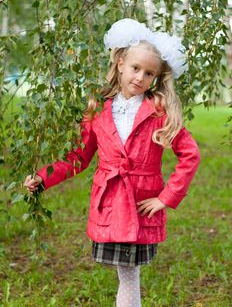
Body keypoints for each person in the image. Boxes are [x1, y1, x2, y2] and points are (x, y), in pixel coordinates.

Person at [24, 18, 201, 307]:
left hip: (141, 203)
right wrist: (43, 177)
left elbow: (190, 154)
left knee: (129, 274)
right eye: (135, 68)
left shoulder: (158, 111)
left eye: (149, 73)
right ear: (120, 63)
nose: (140, 77)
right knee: (127, 274)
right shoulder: (97, 109)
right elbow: (78, 158)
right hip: (111, 202)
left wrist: (166, 198)